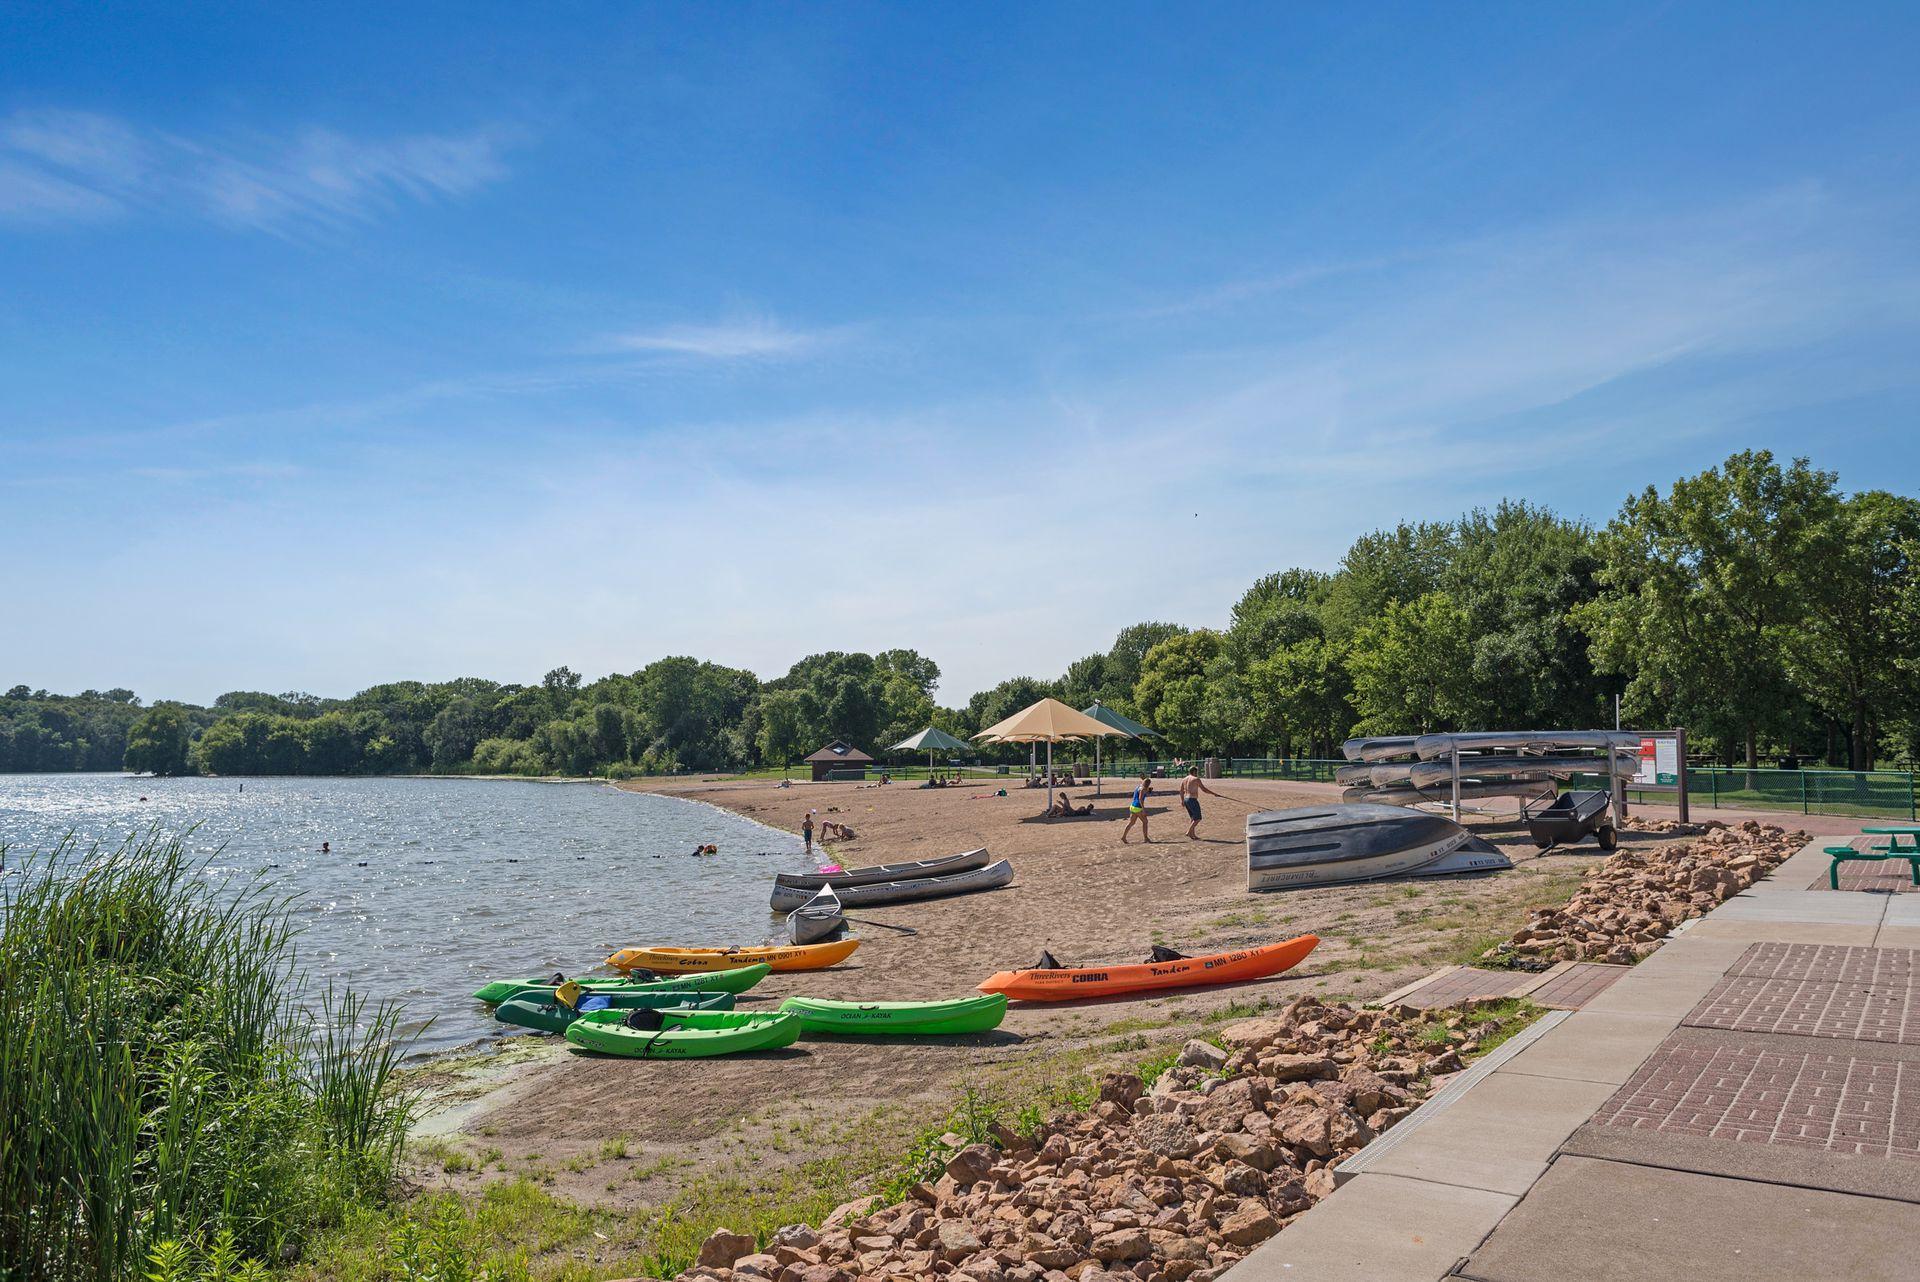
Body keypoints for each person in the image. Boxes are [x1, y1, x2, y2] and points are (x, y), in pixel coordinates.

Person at [1178, 766, 1224, 839]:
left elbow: (1181, 791)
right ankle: (1189, 832)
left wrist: (1182, 800)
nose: (1197, 773)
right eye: (1196, 772)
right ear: (1194, 772)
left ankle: (1192, 834)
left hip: (1186, 799)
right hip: (1192, 799)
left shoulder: (1184, 779)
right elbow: (1204, 789)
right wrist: (1214, 794)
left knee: (1193, 818)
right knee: (1198, 818)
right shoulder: (1196, 779)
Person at [1122, 773, 1153, 843]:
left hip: (1132, 806)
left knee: (1131, 823)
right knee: (1145, 822)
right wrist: (1143, 809)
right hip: (1137, 807)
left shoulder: (1139, 786)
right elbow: (1140, 799)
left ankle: (1123, 837)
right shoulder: (1143, 789)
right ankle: (1146, 838)